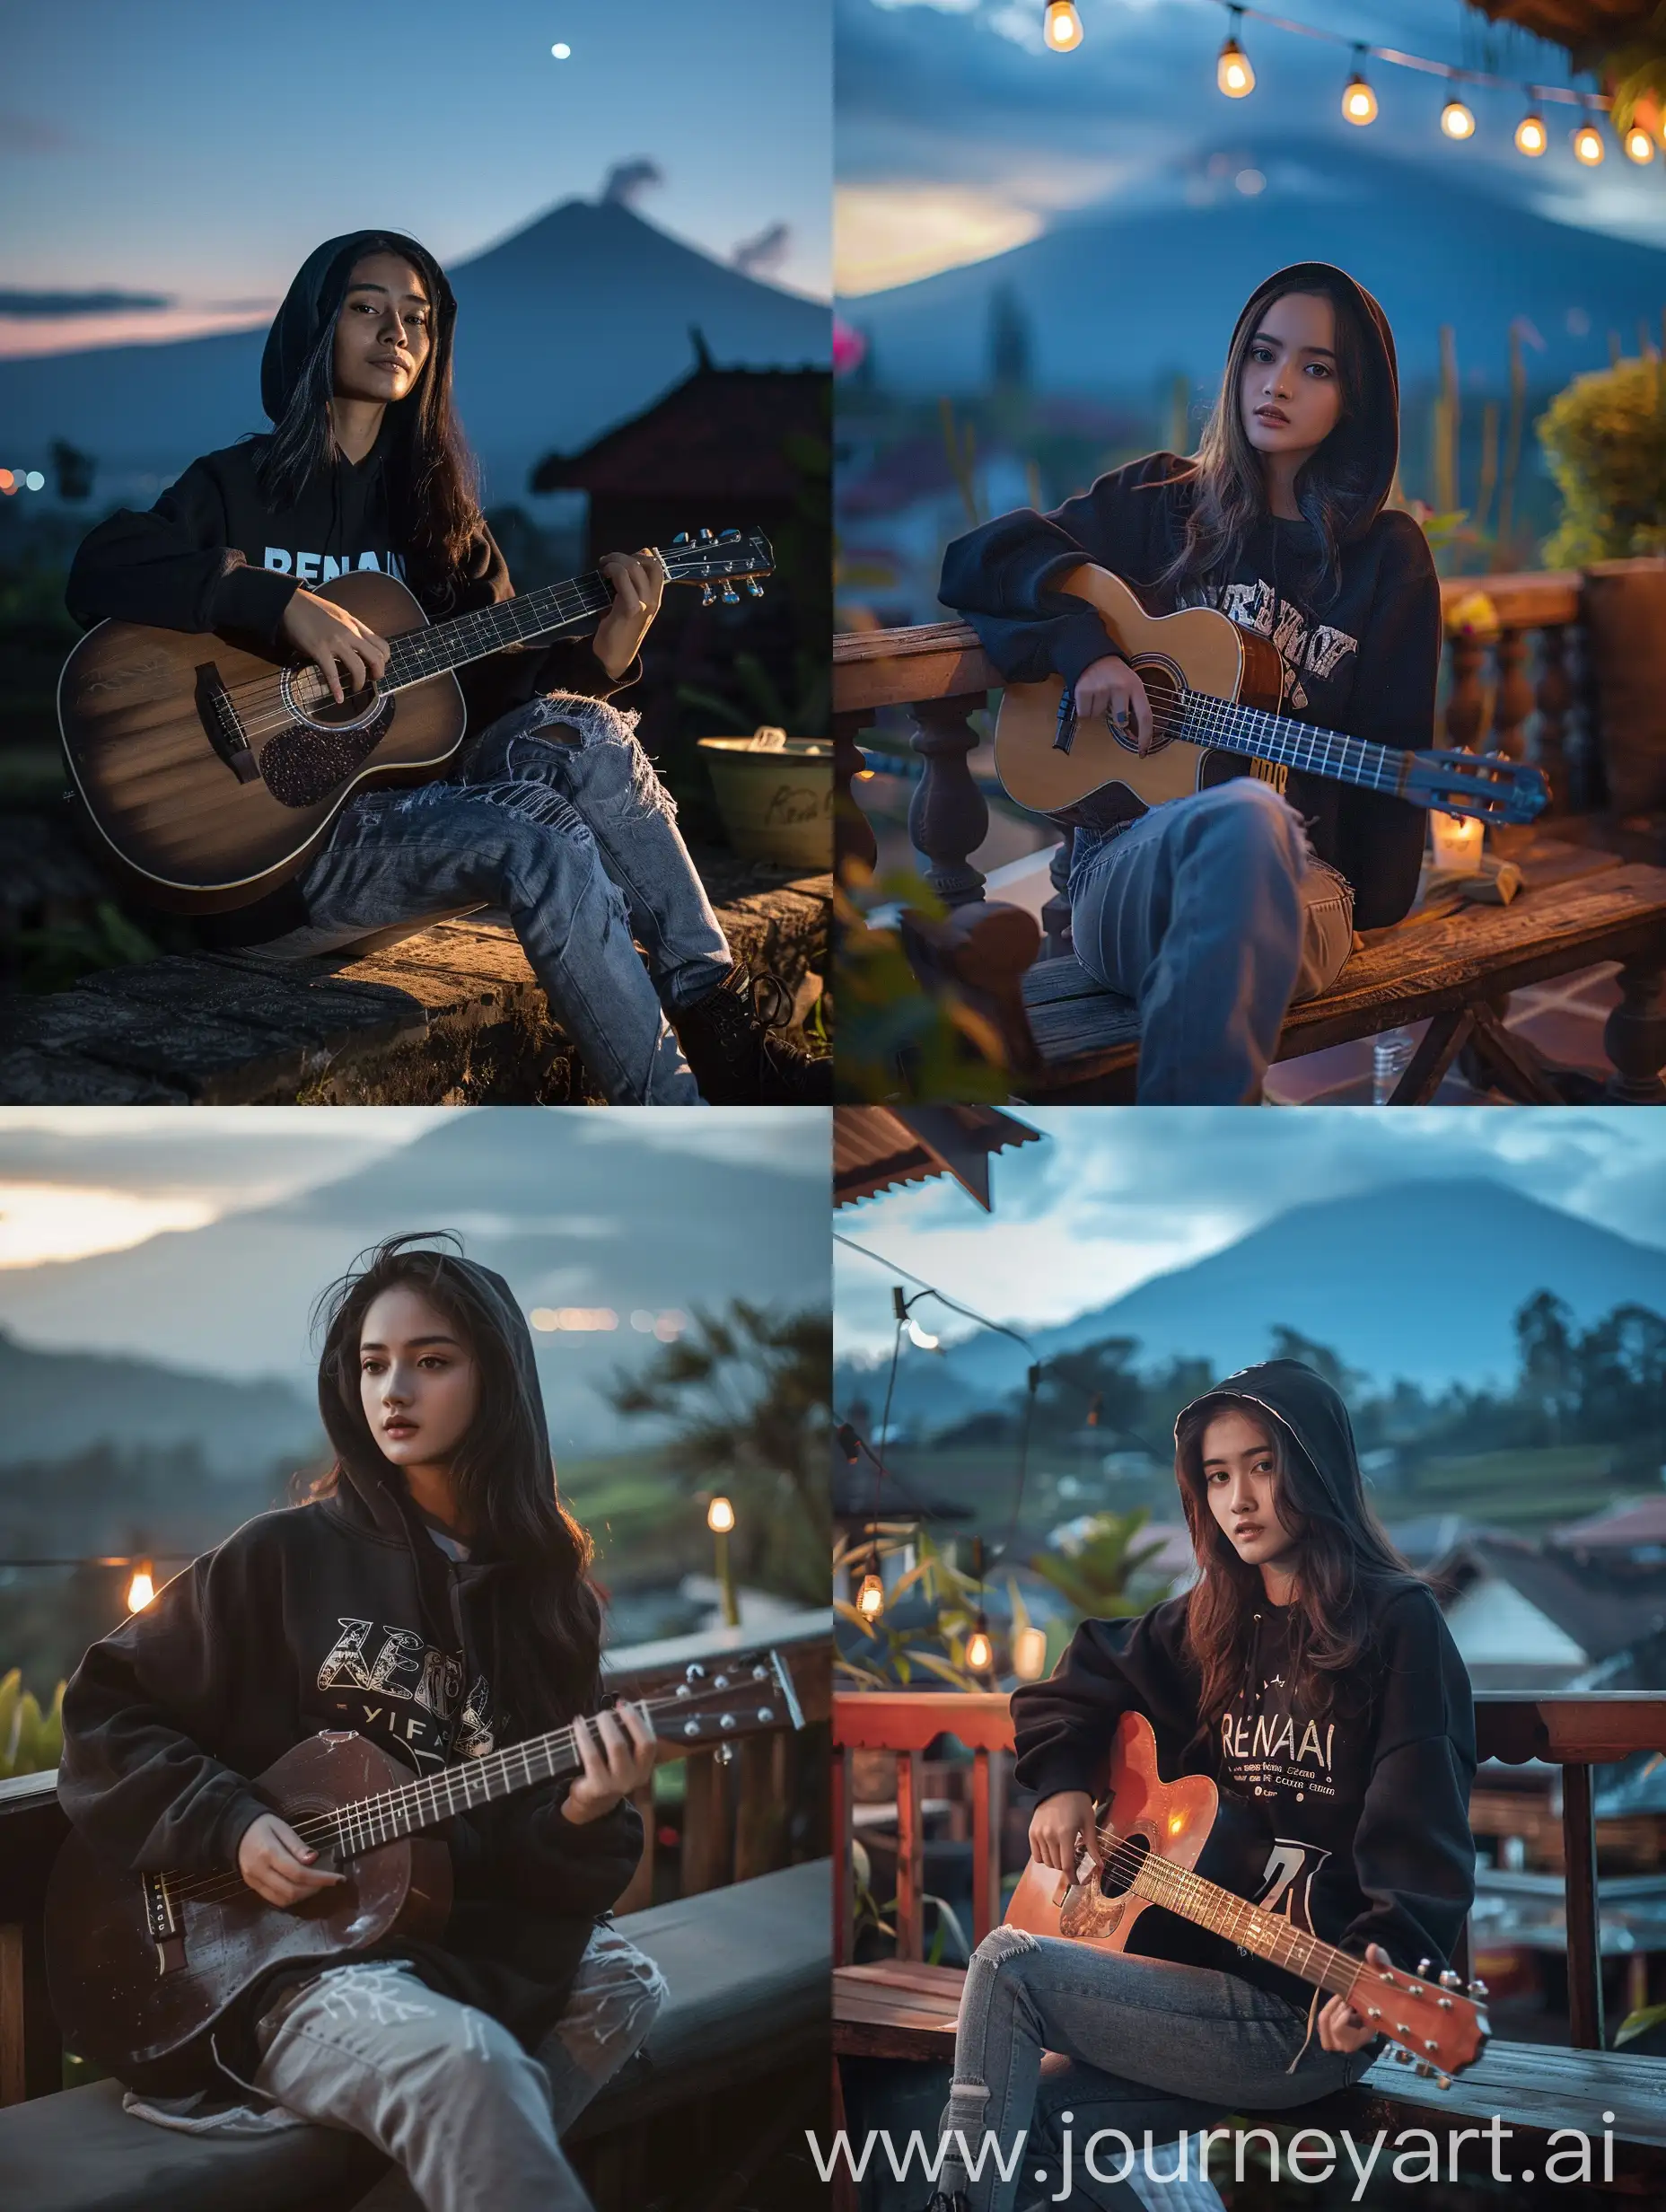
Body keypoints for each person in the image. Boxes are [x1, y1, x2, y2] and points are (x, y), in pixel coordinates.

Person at [66, 228, 828, 1105]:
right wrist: (279, 603)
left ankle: (719, 1016)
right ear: (316, 324)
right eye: (367, 308)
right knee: (536, 834)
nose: (396, 332)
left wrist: (607, 652)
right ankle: (673, 1113)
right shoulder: (232, 486)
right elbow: (103, 564)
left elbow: (500, 714)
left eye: (417, 319)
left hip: (412, 839)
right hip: (273, 864)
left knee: (584, 730)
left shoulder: (443, 527)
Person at [59, 1235, 666, 2212]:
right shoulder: (281, 1556)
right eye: (373, 1362)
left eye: (431, 1360)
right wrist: (230, 1823)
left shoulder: (545, 1605)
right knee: (467, 2063)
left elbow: (520, 1861)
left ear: (497, 1380)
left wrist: (585, 1808)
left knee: (623, 1987)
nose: (395, 1389)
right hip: (280, 1956)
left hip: (438, 1938)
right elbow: (103, 1708)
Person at [922, 1359, 1477, 2212]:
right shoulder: (1215, 1619)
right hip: (1201, 1992)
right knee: (1010, 2128)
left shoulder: (1398, 1622)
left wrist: (1378, 1972)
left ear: (1316, 1464)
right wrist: (1065, 1783)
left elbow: (1421, 1827)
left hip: (1314, 2006)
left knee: (1007, 1966)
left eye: (1262, 1466)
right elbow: (1083, 1670)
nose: (1240, 1500)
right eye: (1217, 1477)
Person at [940, 263, 1441, 1104]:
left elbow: (1385, 854)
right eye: (1262, 354)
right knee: (1241, 820)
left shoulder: (1388, 561)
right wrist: (1086, 649)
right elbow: (978, 561)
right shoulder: (1159, 500)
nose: (1277, 385)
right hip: (1125, 872)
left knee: (1250, 827)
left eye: (1316, 368)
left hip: (1306, 891)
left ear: (1356, 400)